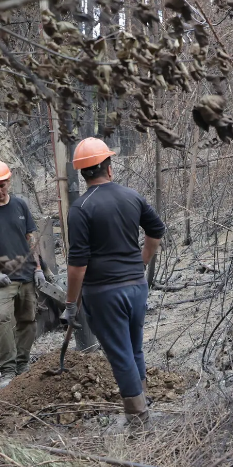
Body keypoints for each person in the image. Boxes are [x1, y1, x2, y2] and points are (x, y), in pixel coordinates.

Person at [62, 138, 165, 433]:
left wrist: (71, 304)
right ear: (109, 167)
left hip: (105, 294)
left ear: (82, 174)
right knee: (133, 349)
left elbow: (78, 264)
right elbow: (156, 230)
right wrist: (141, 262)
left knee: (120, 355)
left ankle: (139, 420)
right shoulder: (132, 196)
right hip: (135, 288)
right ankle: (143, 400)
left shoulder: (81, 209)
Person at [0, 159, 49, 388]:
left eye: (2, 184)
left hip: (26, 274)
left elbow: (31, 238)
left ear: (9, 181)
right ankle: (7, 371)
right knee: (3, 319)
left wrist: (37, 269)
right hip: (2, 279)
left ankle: (22, 365)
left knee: (28, 320)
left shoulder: (20, 206)